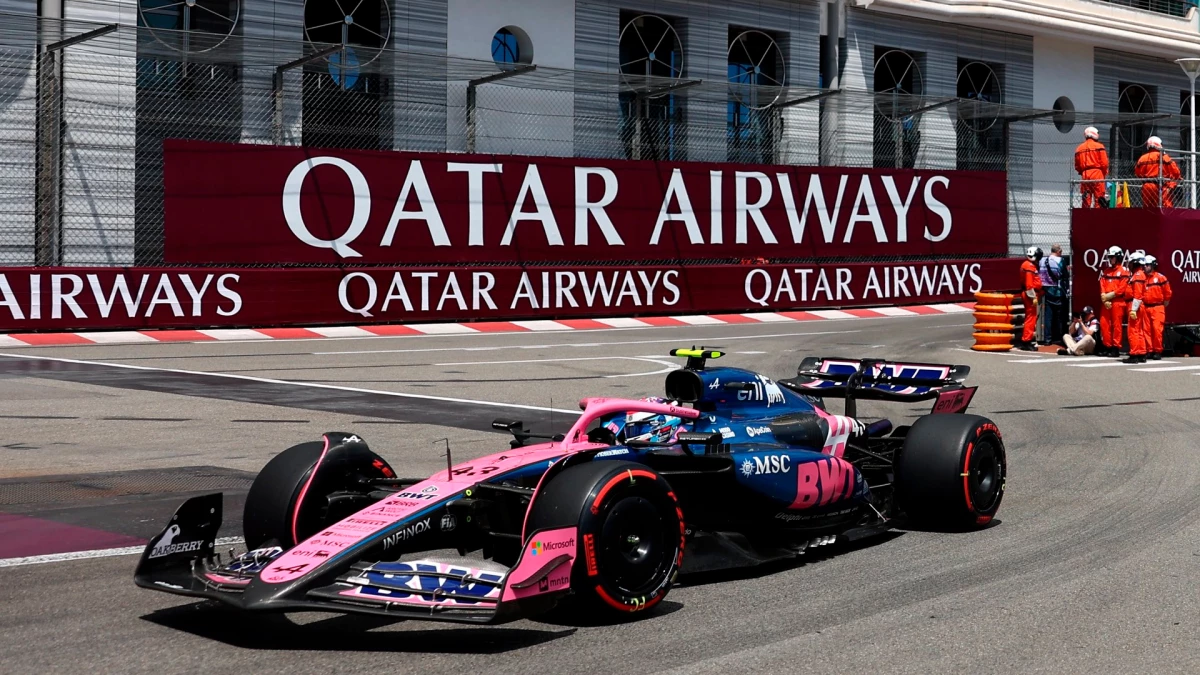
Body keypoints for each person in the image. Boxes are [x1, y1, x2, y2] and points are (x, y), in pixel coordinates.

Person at [1097, 246, 1129, 357]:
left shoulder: (1124, 271)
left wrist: (1109, 296)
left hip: (1118, 302)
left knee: (1116, 326)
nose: (1110, 259)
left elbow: (1122, 288)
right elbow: (1102, 284)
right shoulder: (1106, 271)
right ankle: (1107, 346)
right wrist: (1103, 296)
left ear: (1118, 257)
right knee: (1104, 324)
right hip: (1106, 302)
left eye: (1112, 257)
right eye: (1109, 257)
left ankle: (1115, 348)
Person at [1135, 136, 1182, 209]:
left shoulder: (1142, 158)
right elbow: (1176, 172)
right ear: (1159, 144)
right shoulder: (1163, 157)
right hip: (1161, 186)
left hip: (1146, 186)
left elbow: (1137, 173)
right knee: (1165, 208)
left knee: (1148, 209)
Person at [1143, 255, 1173, 360]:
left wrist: (1164, 303)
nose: (1145, 267)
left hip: (1157, 307)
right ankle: (1149, 350)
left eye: (1147, 265)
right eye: (1144, 265)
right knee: (1146, 330)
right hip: (1146, 307)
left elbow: (1168, 293)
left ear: (1152, 265)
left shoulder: (1160, 277)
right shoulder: (1143, 278)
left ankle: (1157, 350)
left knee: (1157, 330)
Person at [1074, 127, 1109, 208]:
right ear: (1095, 134)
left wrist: (1082, 172)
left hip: (1085, 175)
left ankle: (1085, 217)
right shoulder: (1099, 146)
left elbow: (1077, 166)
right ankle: (1098, 217)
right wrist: (1103, 173)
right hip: (1097, 174)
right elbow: (1104, 163)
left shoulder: (1079, 148)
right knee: (1099, 199)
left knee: (1086, 198)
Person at [1124, 251, 1149, 364]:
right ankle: (1141, 353)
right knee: (1139, 331)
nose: (1129, 265)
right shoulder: (1138, 274)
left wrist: (1133, 309)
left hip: (1135, 305)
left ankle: (1134, 354)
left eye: (1130, 263)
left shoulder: (1138, 275)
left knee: (1133, 330)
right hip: (1137, 304)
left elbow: (1138, 294)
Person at [1018, 246, 1043, 351]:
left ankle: (1026, 339)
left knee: (1030, 317)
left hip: (1030, 293)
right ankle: (1026, 341)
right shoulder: (1029, 267)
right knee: (1031, 318)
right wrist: (1033, 297)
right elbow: (1029, 284)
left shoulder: (1027, 264)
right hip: (1030, 295)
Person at [1039, 244, 1066, 345]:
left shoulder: (1042, 260)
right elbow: (1064, 275)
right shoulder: (1061, 261)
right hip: (1058, 291)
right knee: (1060, 317)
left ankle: (1047, 339)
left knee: (1048, 316)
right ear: (1058, 251)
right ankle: (1059, 337)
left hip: (1046, 290)